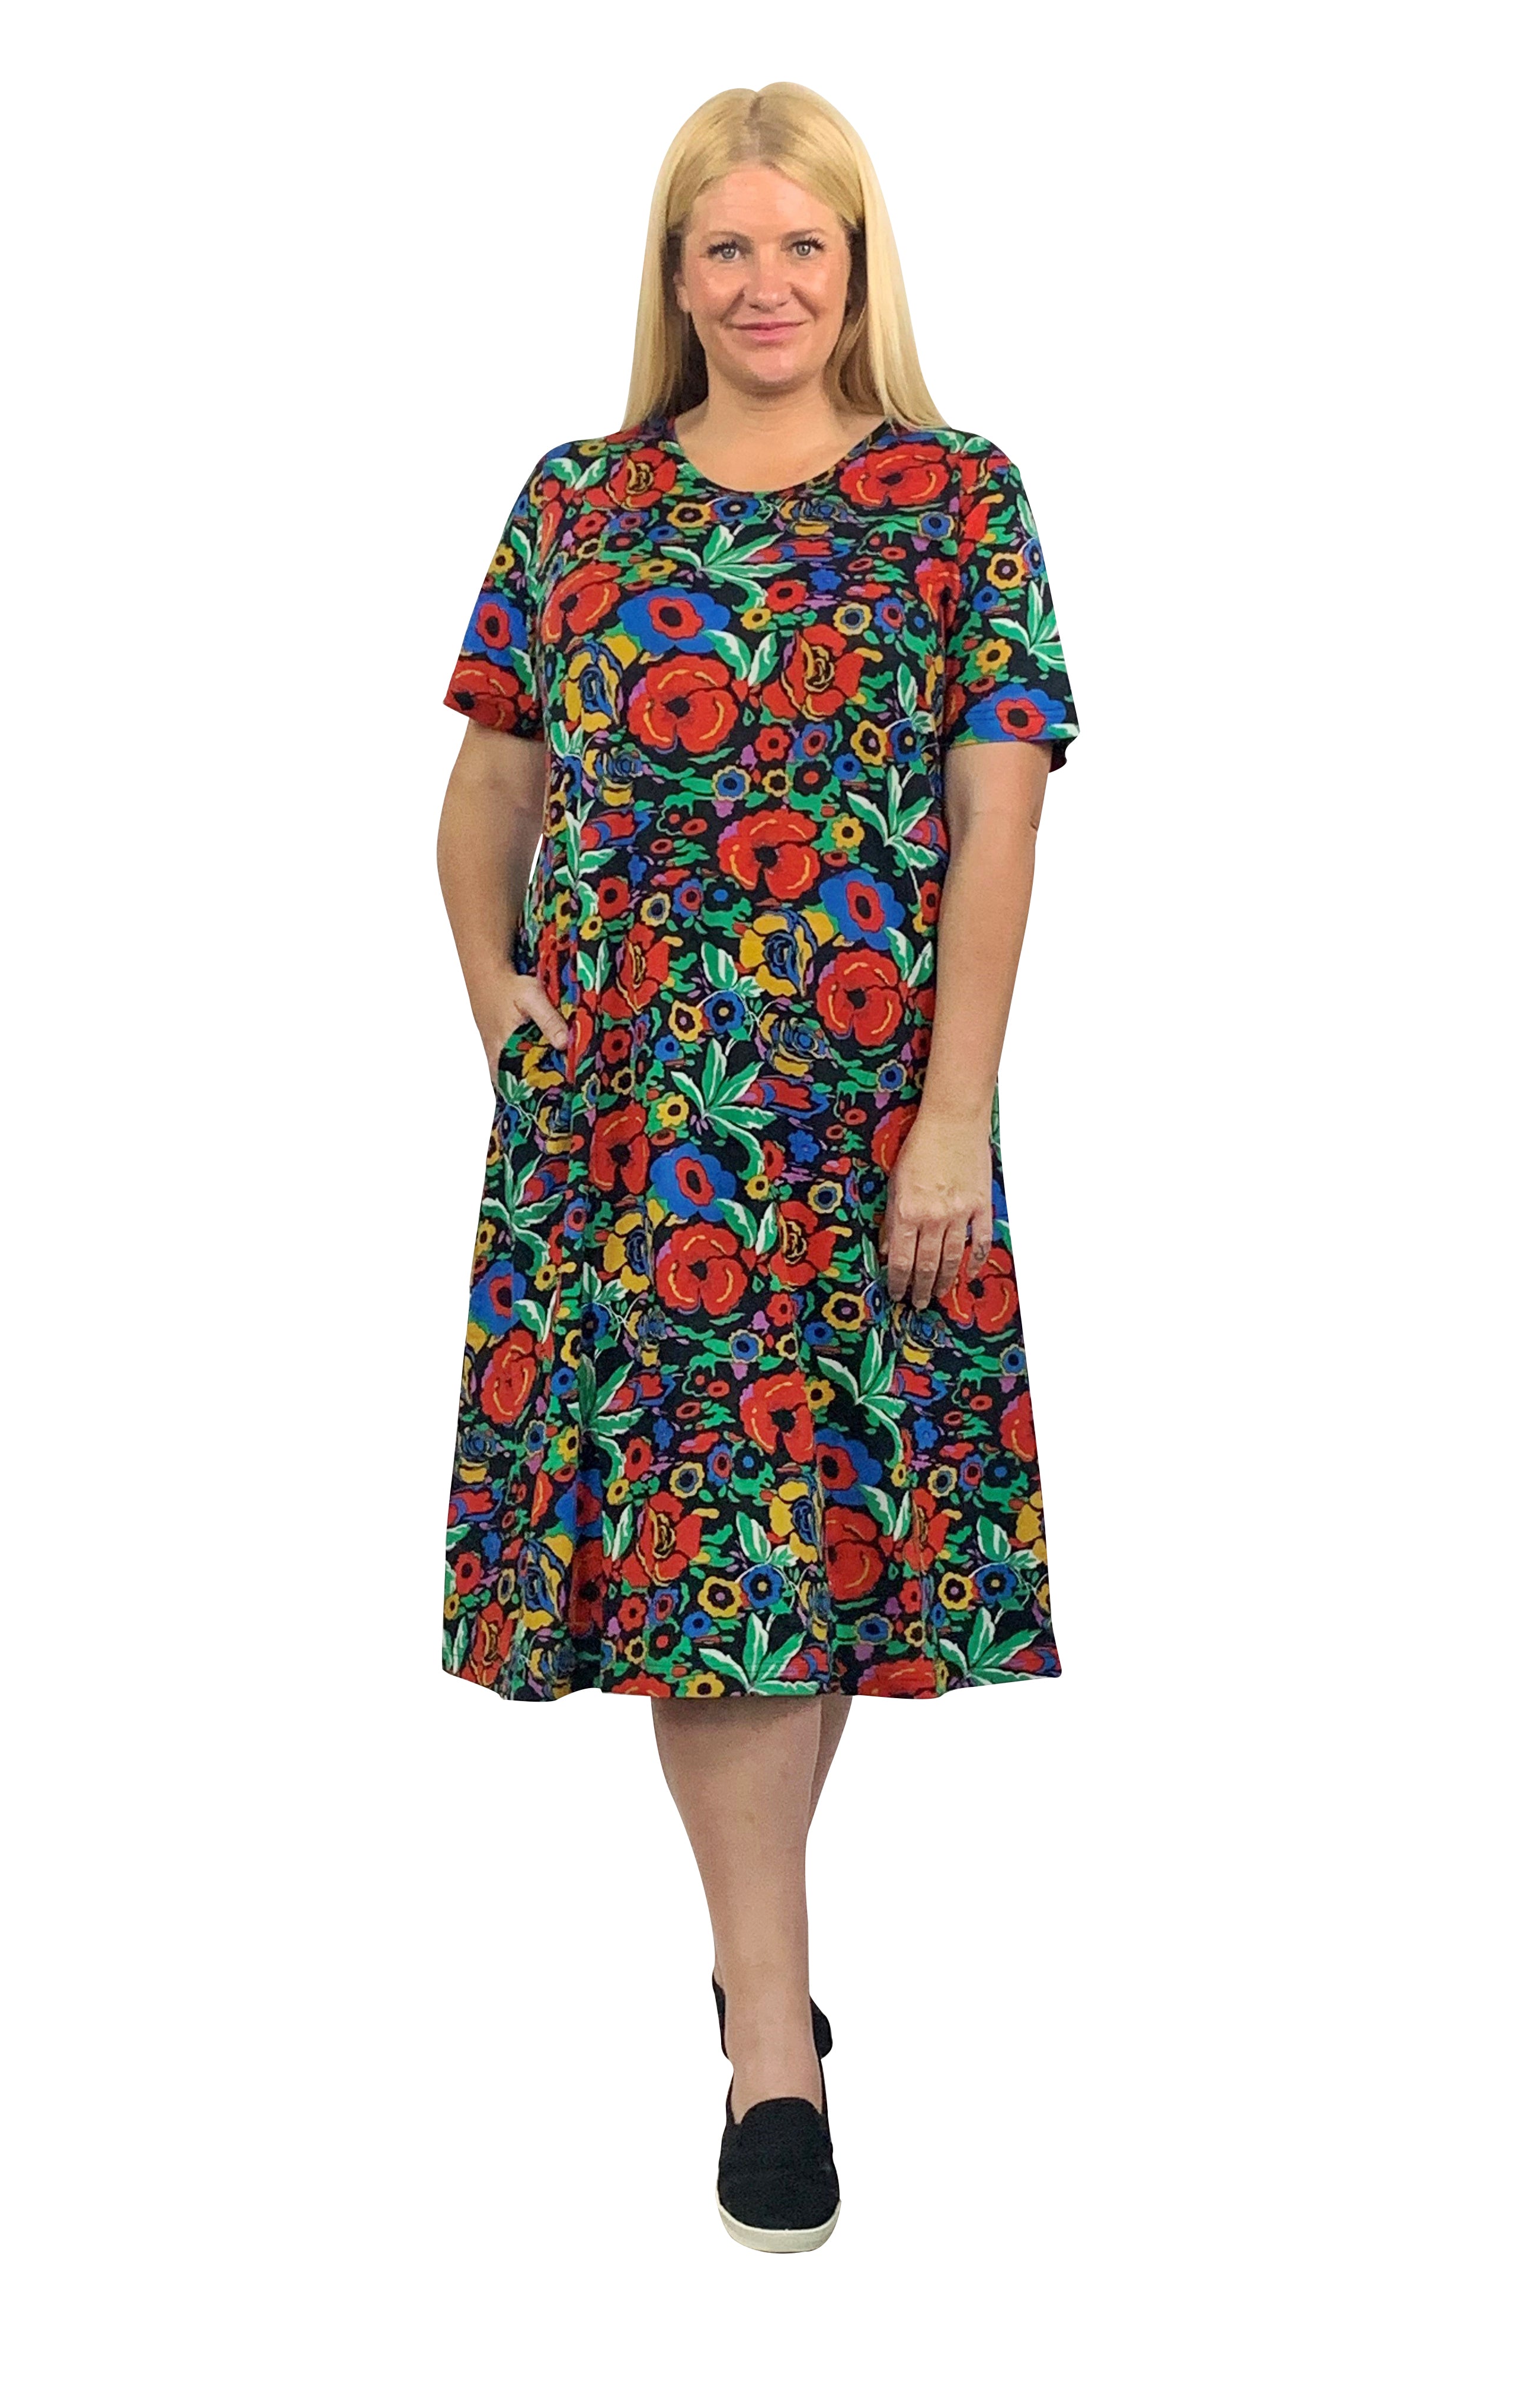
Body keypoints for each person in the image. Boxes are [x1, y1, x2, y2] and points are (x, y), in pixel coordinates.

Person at [435, 81, 1079, 2253]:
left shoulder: (958, 503)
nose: (767, 283)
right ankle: (774, 2045)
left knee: (813, 1557)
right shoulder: (580, 503)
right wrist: (505, 1010)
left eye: (806, 245)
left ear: (859, 268)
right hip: (633, 1140)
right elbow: (484, 803)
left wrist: (957, 1111)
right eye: (728, 247)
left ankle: (757, 1971)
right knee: (708, 1578)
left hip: (863, 1122)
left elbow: (999, 823)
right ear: (676, 274)